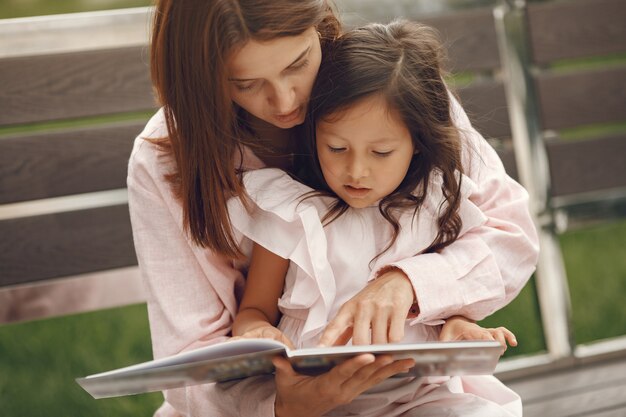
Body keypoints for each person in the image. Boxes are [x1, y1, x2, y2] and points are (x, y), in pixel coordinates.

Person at [126, 1, 539, 416]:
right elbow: (190, 356)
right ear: (203, 78)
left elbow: (510, 235)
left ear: (319, 23)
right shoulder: (165, 159)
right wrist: (281, 406)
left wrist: (410, 285)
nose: (285, 101)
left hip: (418, 394)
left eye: (298, 64)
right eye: (246, 83)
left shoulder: (386, 82)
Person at [229, 20, 521, 416]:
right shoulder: (291, 214)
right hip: (322, 401)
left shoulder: (430, 208)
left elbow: (442, 306)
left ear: (416, 145)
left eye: (381, 153)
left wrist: (458, 332)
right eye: (336, 148)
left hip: (418, 395)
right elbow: (254, 312)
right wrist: (258, 333)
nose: (356, 171)